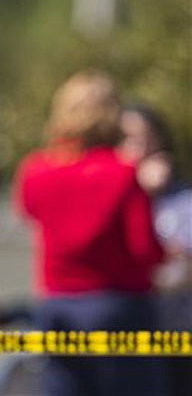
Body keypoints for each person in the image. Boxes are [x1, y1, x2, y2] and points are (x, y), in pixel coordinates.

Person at [14, 70, 165, 396]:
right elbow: (145, 251)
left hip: (58, 309)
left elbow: (30, 215)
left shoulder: (35, 170)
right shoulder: (123, 173)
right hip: (120, 310)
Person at [118, 103, 192, 396]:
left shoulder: (183, 199)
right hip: (123, 331)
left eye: (146, 137)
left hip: (176, 330)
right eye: (128, 138)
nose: (138, 147)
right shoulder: (109, 197)